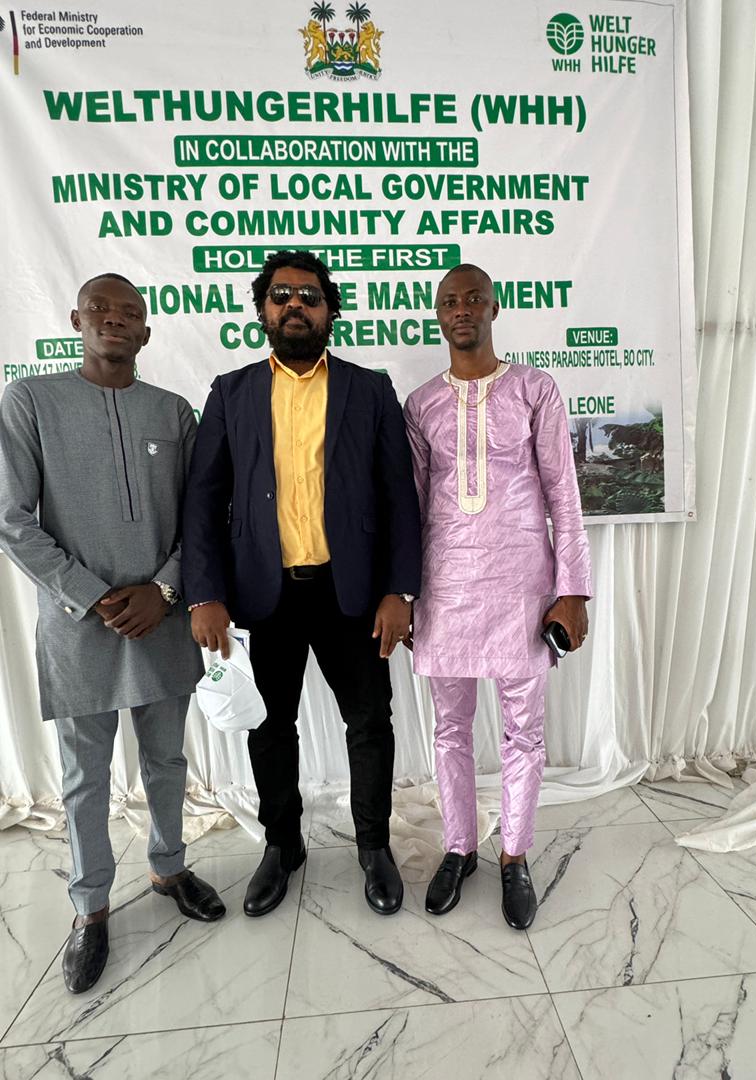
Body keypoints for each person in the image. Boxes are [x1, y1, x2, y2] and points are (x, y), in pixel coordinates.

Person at [0, 274, 225, 995]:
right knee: (82, 780)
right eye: (101, 309)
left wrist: (164, 589)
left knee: (166, 759)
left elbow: (202, 520)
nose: (115, 321)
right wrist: (94, 596)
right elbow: (12, 519)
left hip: (162, 618)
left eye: (131, 313)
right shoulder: (31, 401)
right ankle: (90, 908)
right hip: (80, 626)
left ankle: (168, 867)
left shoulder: (173, 411)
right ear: (75, 320)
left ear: (148, 333)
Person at [183, 250, 421, 918]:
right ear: (262, 310)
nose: (296, 305)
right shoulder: (231, 393)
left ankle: (373, 846)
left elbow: (399, 495)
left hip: (353, 596)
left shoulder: (368, 391)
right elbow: (203, 498)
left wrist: (400, 590)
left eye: (309, 295)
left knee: (370, 721)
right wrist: (204, 594)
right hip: (266, 596)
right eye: (282, 294)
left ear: (330, 310)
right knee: (270, 727)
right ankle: (281, 846)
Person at [403, 264, 592, 930]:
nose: (462, 310)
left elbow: (564, 495)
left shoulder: (535, 389)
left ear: (493, 306)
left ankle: (514, 855)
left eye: (473, 299)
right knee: (450, 729)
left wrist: (572, 589)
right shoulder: (422, 403)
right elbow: (414, 507)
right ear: (437, 313)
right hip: (446, 586)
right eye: (449, 301)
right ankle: (460, 847)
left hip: (522, 586)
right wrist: (404, 593)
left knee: (523, 732)